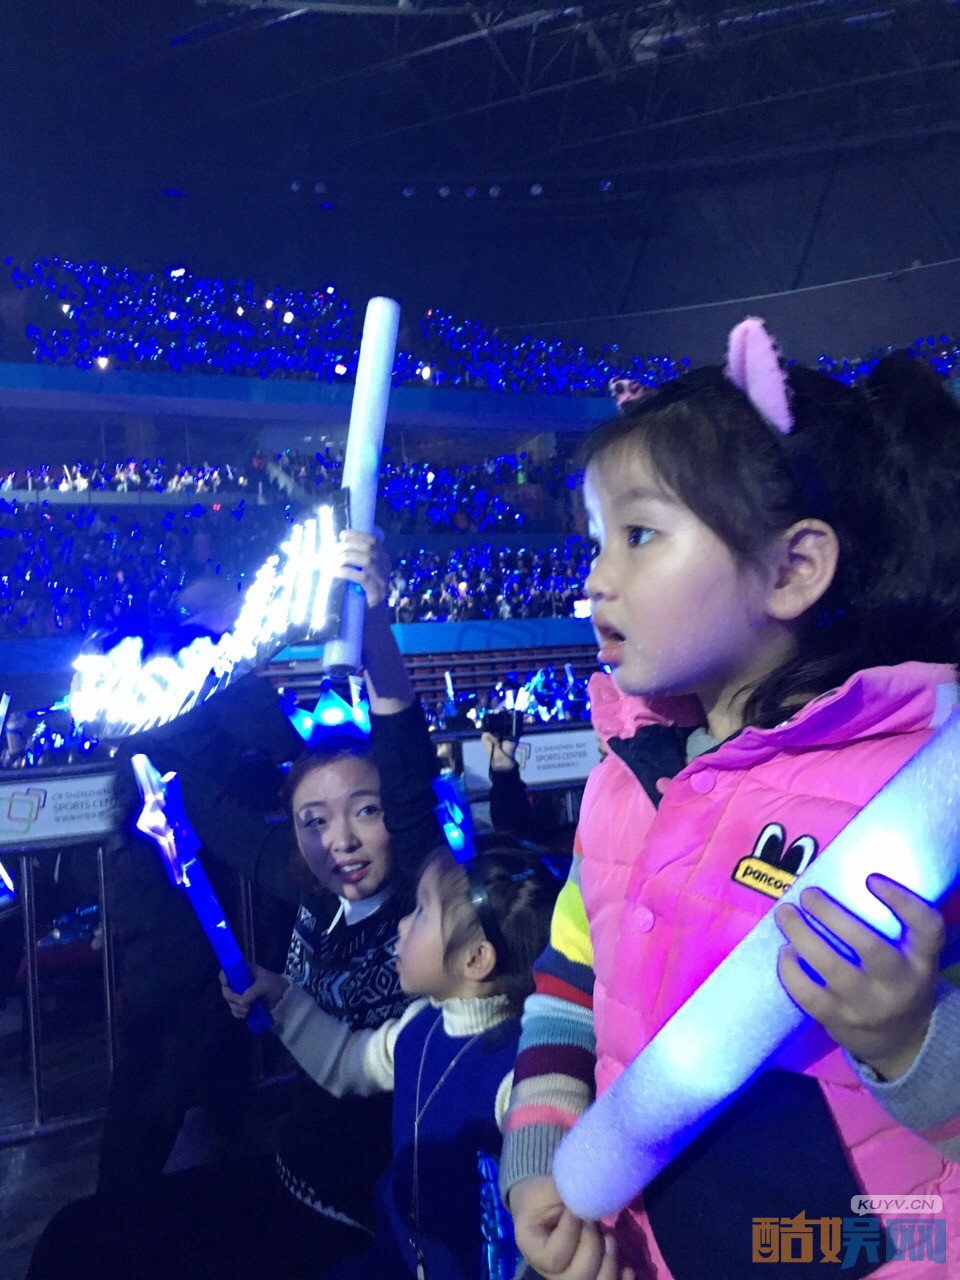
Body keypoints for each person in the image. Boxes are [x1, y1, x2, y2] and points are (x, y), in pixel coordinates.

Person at [502, 321, 960, 1280]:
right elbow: (569, 988)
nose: (597, 577)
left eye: (638, 536)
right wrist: (544, 1162)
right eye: (597, 539)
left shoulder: (922, 797)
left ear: (792, 569)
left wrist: (914, 1040)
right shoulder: (624, 780)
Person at [28, 532, 444, 1280]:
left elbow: (402, 757)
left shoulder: (417, 895)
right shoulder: (310, 887)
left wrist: (376, 626)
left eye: (366, 812)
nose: (342, 840)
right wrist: (281, 998)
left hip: (354, 1219)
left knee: (101, 1232)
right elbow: (236, 834)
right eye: (315, 821)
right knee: (79, 1234)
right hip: (289, 1180)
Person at [223, 844, 563, 1280]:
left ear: (475, 958)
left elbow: (546, 1220)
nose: (402, 924)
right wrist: (281, 1000)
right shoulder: (420, 1024)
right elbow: (350, 1063)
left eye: (421, 913)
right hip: (397, 1257)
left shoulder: (517, 1077)